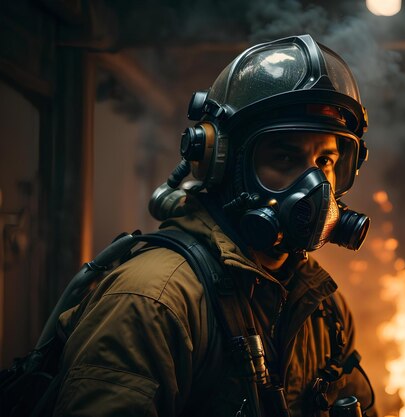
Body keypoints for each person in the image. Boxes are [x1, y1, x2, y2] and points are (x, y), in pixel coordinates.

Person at [52, 34, 376, 417]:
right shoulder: (152, 301)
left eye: (325, 161)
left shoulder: (324, 307)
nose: (314, 186)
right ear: (221, 162)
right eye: (285, 156)